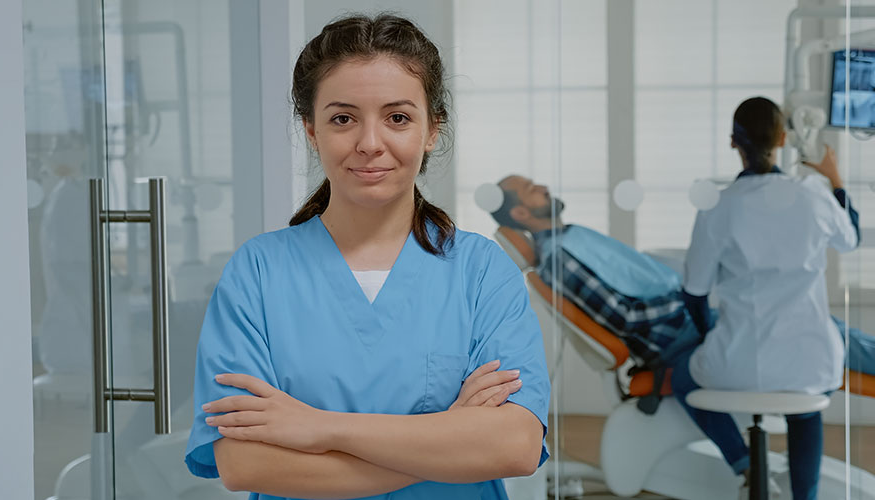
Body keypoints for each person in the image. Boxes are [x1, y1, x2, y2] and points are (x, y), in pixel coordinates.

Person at [185, 14, 550, 500]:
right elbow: (243, 462)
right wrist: (449, 438)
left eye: (397, 117)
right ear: (311, 130)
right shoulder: (258, 272)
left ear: (432, 129)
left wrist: (320, 428)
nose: (370, 143)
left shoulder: (483, 272)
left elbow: (516, 446)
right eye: (343, 118)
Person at [488, 175, 875, 379]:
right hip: (677, 335)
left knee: (819, 327)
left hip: (685, 320)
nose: (542, 187)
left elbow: (634, 272)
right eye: (530, 190)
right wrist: (692, 299)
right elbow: (628, 319)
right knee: (820, 328)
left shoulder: (569, 237)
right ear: (521, 215)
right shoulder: (560, 259)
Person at [671, 96, 859, 500]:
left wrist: (709, 336)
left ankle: (744, 466)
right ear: (784, 138)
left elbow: (694, 294)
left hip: (735, 361)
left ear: (732, 143)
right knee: (805, 412)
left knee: (680, 375)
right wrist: (836, 179)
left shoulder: (717, 207)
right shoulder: (812, 193)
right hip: (809, 361)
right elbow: (851, 238)